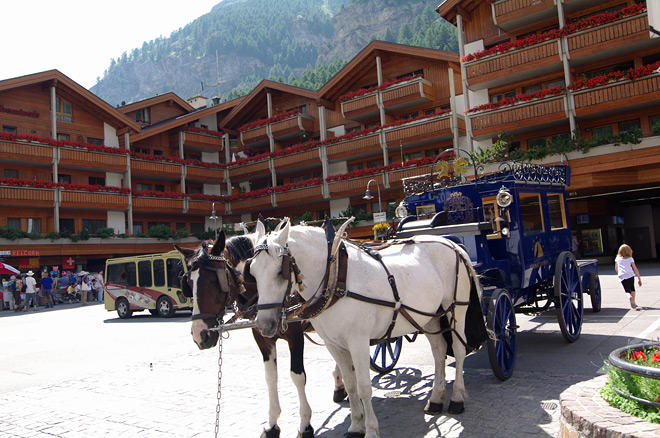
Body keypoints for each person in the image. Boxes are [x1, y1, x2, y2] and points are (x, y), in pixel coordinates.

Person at [614, 244, 642, 310]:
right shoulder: (630, 259)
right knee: (632, 288)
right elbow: (635, 269)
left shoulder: (618, 258)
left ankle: (630, 297)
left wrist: (619, 273)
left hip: (622, 276)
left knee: (627, 290)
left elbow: (616, 268)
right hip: (630, 275)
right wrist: (639, 278)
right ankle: (633, 301)